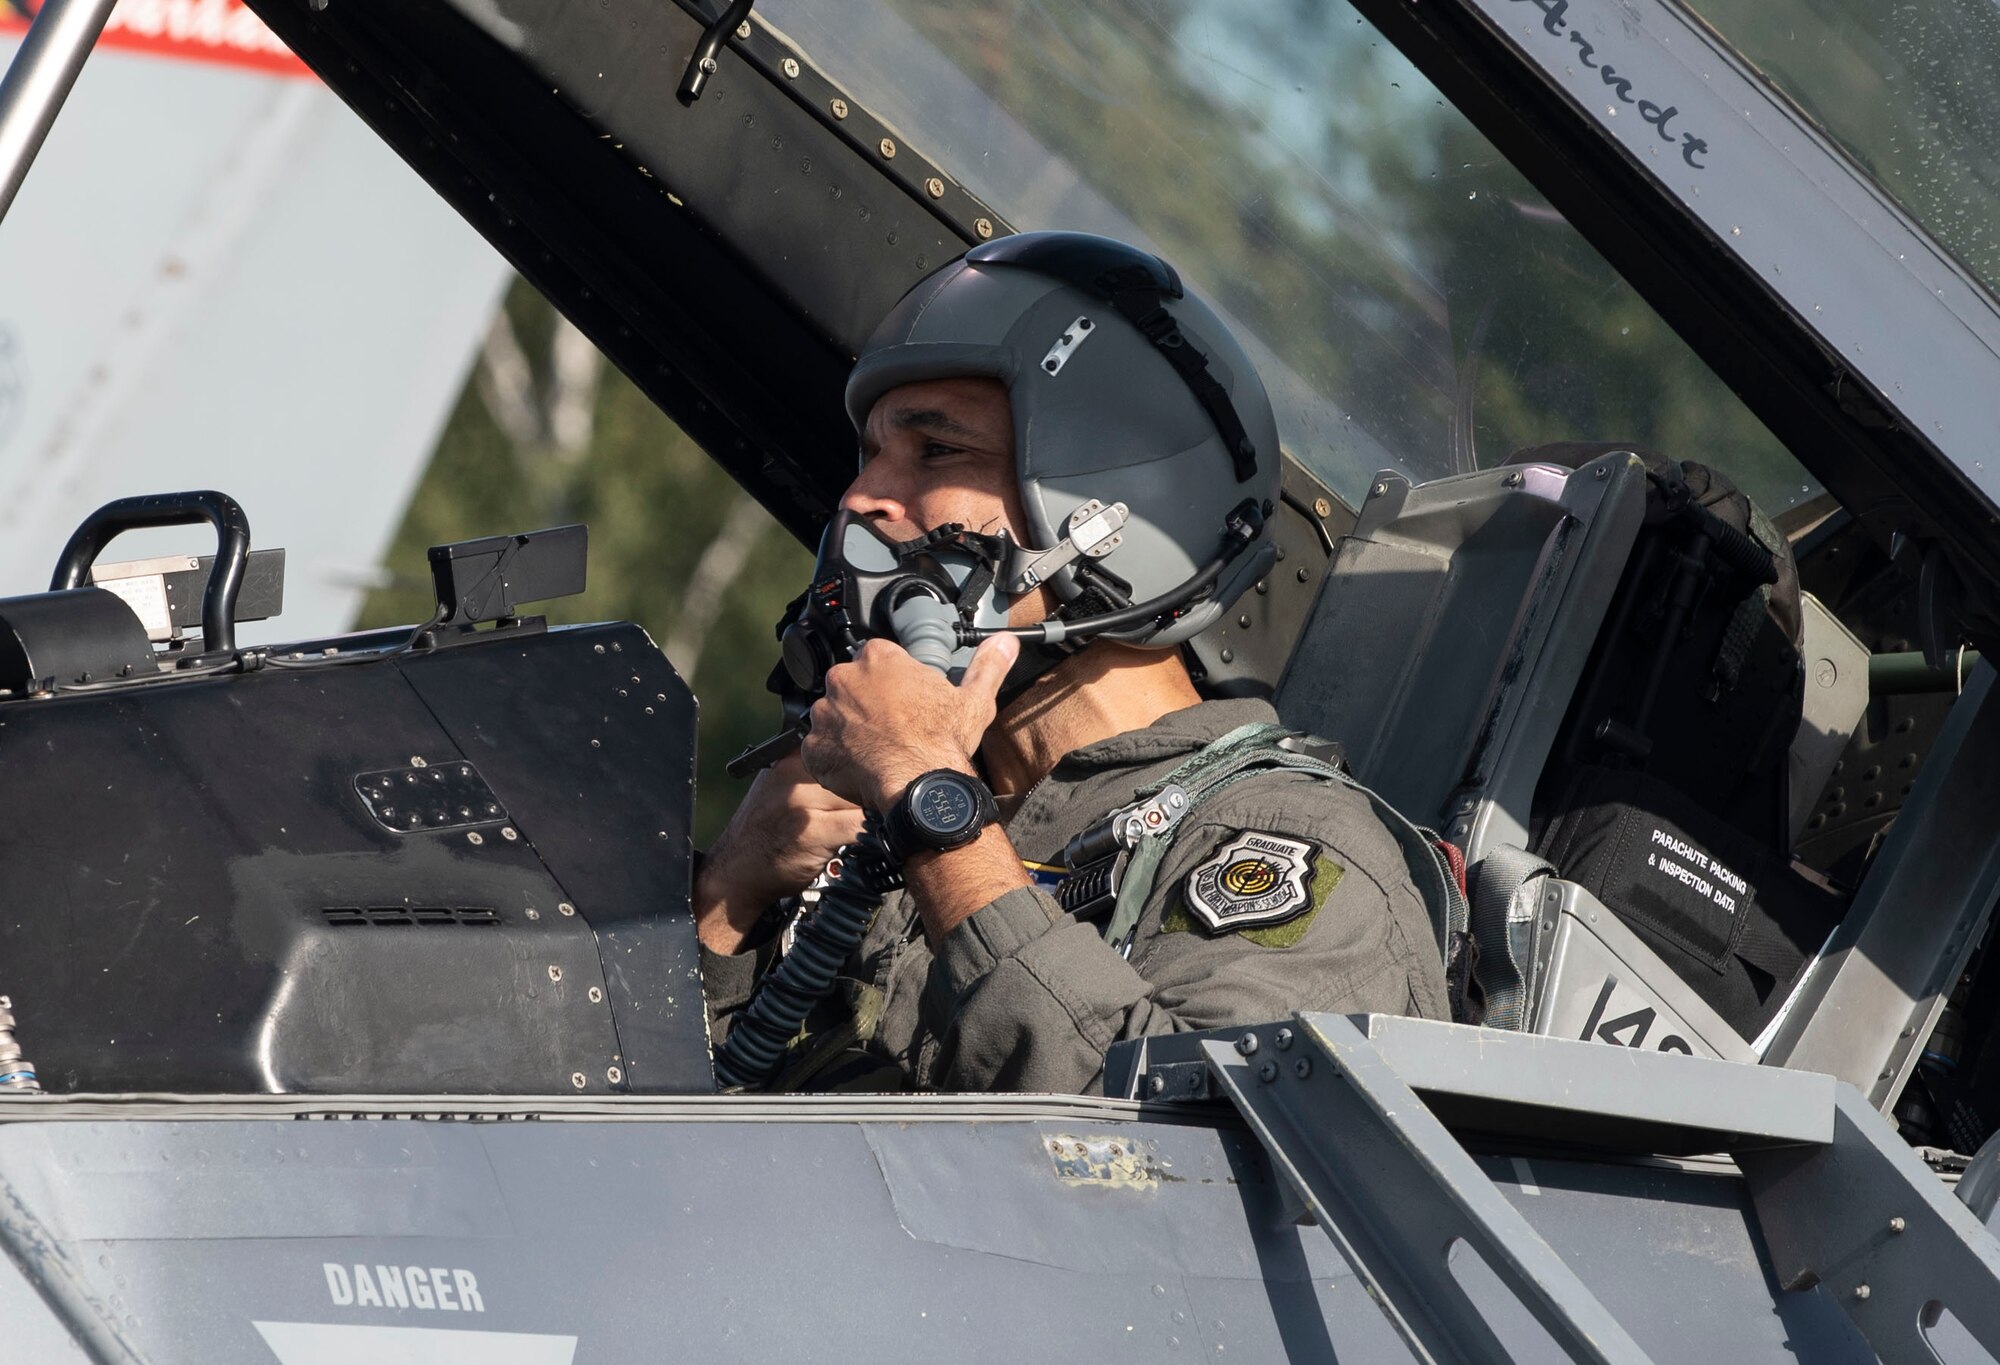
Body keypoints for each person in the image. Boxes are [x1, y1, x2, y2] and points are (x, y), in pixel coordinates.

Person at [695, 232, 1449, 1093]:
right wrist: (733, 888)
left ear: (1108, 513)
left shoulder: (1296, 848)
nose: (860, 499)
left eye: (936, 451)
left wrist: (932, 806)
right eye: (871, 454)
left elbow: (1188, 1169)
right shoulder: (894, 829)